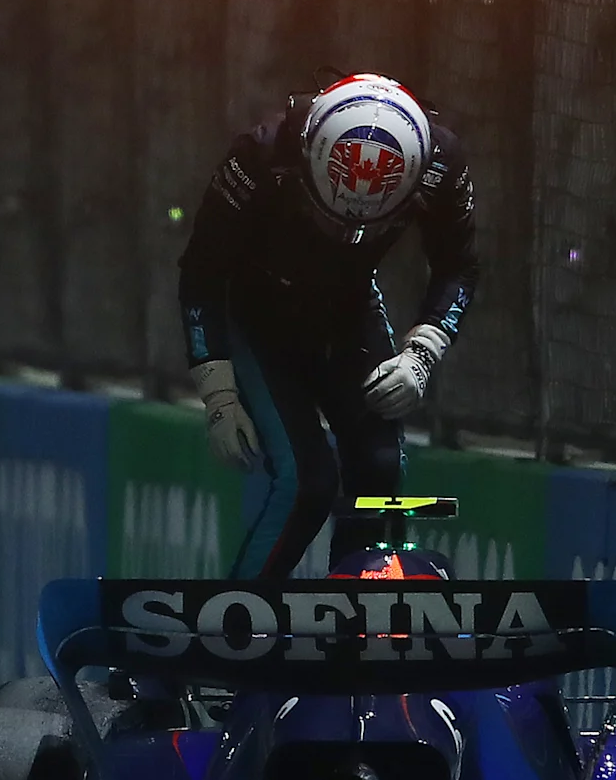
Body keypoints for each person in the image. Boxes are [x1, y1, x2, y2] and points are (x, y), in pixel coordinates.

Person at [175, 73, 477, 580]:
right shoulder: (258, 156)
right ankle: (239, 618)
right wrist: (218, 395)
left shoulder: (442, 164)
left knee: (381, 470)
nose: (347, 232)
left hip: (348, 311)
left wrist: (420, 355)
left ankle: (366, 612)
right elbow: (203, 272)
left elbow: (459, 266)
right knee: (306, 482)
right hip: (255, 317)